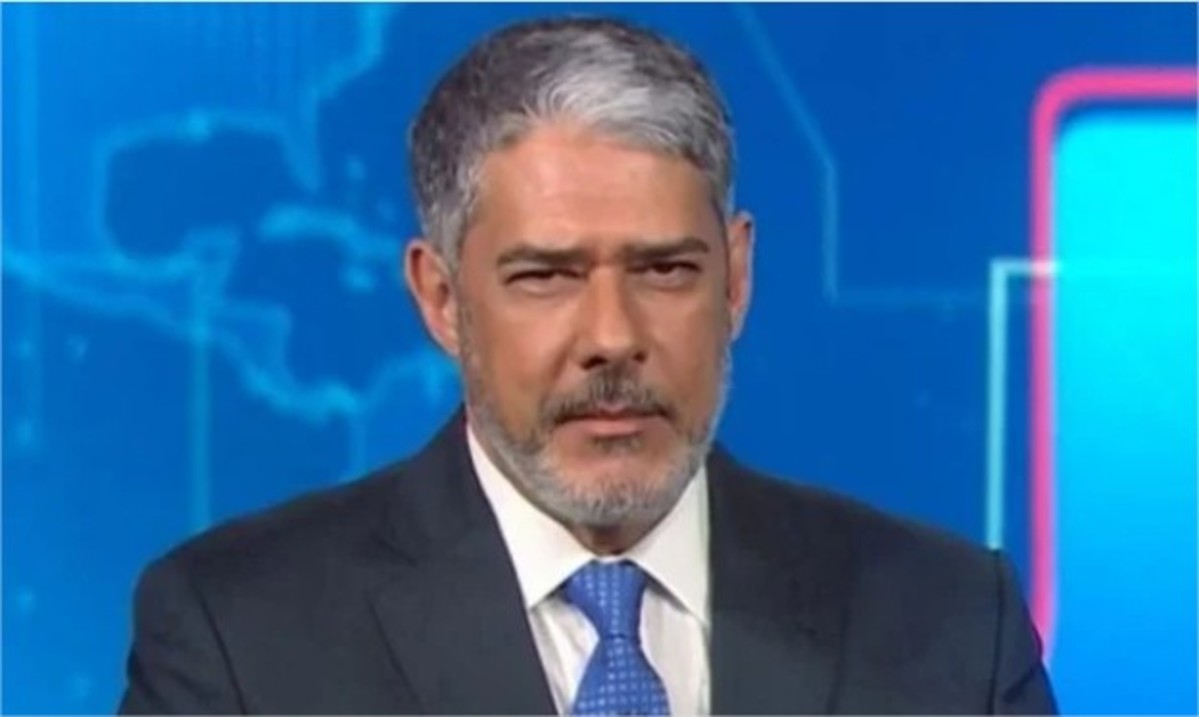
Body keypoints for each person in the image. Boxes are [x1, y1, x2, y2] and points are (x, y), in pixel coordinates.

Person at [118, 15, 1057, 715]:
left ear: (736, 278)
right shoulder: (238, 638)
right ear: (441, 298)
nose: (612, 334)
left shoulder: (948, 625)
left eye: (665, 270)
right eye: (545, 276)